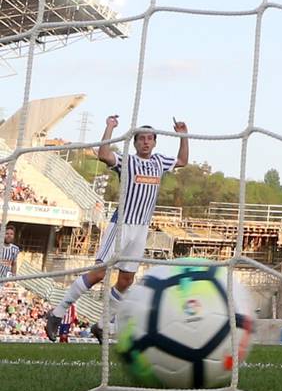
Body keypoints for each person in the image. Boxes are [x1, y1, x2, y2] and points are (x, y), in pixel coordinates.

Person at [45, 115, 189, 343]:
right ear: (135, 142)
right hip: (121, 225)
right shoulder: (127, 161)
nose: (145, 142)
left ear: (154, 142)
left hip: (141, 228)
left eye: (149, 139)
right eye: (141, 139)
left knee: (126, 281)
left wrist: (183, 136)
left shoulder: (159, 162)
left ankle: (102, 325)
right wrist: (109, 127)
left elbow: (182, 160)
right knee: (99, 273)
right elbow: (103, 154)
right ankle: (57, 313)